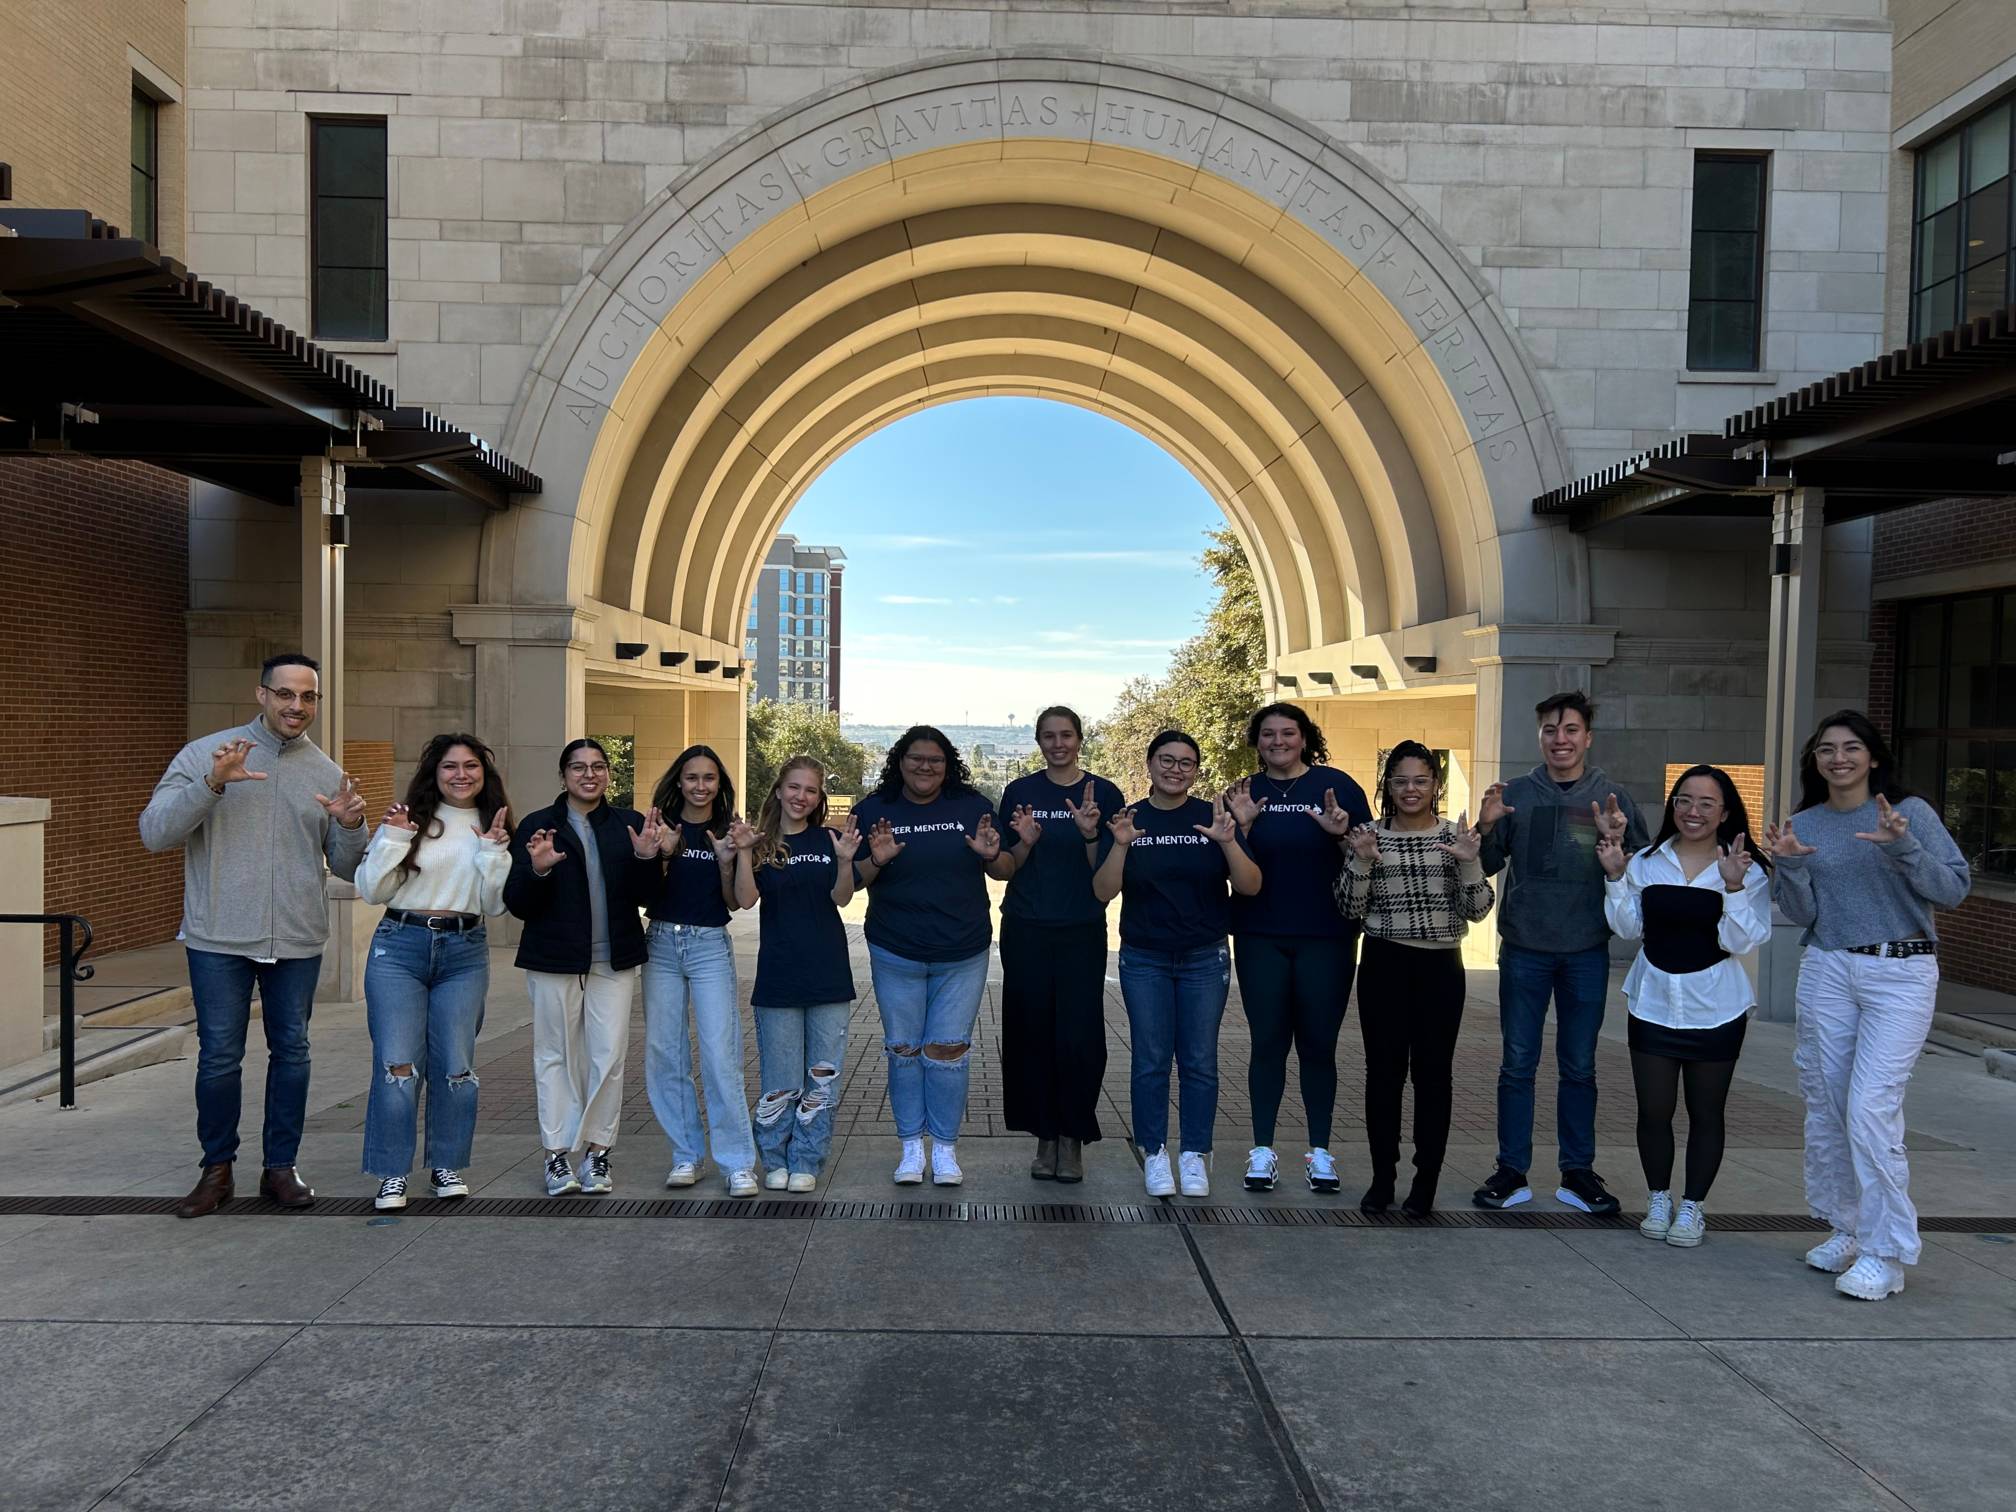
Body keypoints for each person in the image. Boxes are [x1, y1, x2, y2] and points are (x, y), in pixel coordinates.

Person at [139, 652, 367, 1219]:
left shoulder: (325, 771)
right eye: (285, 693)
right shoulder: (207, 754)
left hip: (295, 939)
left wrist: (351, 825)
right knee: (219, 1056)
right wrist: (211, 785)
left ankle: (280, 1168)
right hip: (219, 937)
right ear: (261, 694)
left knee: (292, 1053)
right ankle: (216, 1171)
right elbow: (155, 833)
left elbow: (346, 868)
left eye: (308, 696)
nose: (297, 706)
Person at [1768, 710, 1970, 1300]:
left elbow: (1953, 890)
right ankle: (1848, 1228)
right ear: (1815, 761)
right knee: (1828, 1107)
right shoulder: (1804, 821)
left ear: (1874, 757)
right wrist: (1793, 865)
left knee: (1870, 1110)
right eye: (1827, 749)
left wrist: (1904, 846)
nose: (1839, 758)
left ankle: (1887, 1253)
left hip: (1901, 971)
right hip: (1830, 967)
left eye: (1852, 747)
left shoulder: (1912, 814)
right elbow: (1801, 915)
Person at [1473, 690, 1647, 1214]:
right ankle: (1511, 1170)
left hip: (1586, 950)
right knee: (1517, 1064)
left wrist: (1619, 844)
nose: (1560, 739)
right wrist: (1485, 826)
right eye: (1551, 729)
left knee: (1579, 1066)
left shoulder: (1613, 797)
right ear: (1540, 736)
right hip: (1525, 947)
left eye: (1570, 730)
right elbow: (1481, 863)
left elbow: (1638, 873)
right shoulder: (1515, 793)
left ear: (1587, 738)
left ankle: (1577, 1173)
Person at [1598, 765, 1771, 1249]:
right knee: (1653, 1111)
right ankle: (1659, 1198)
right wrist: (1615, 878)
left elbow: (1743, 939)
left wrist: (1733, 887)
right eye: (1684, 801)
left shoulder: (1744, 868)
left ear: (1726, 813)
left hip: (1717, 1008)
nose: (1693, 812)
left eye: (1706, 804)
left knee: (1706, 1112)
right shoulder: (1648, 861)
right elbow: (1627, 929)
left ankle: (1693, 1205)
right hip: (1653, 1003)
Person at [1094, 730, 1263, 1199]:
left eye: (1186, 763)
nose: (1175, 769)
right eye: (1166, 760)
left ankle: (1194, 1155)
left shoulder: (1213, 817)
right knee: (1150, 1060)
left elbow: (1249, 886)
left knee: (1199, 1061)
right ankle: (1154, 1152)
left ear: (1196, 770)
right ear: (1149, 765)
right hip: (1144, 957)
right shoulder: (1130, 819)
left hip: (1203, 958)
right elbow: (1102, 892)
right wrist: (1122, 845)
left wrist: (1229, 841)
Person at [353, 733, 512, 1210]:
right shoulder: (408, 819)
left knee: (456, 1068)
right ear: (434, 772)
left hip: (464, 951)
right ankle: (392, 1174)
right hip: (400, 947)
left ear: (484, 775)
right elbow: (370, 890)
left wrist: (492, 852)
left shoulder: (494, 825)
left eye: (470, 767)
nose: (460, 775)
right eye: (449, 766)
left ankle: (446, 1164)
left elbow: (495, 905)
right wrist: (395, 838)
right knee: (398, 1064)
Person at [1337, 741, 1493, 1217]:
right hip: (1384, 963)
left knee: (1433, 1077)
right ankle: (1383, 1176)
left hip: (1441, 968)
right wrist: (1362, 860)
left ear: (1435, 785)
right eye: (1400, 780)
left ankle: (1426, 1181)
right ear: (1387, 785)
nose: (1410, 789)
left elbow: (1479, 909)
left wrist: (1468, 861)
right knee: (1383, 1075)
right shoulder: (1367, 835)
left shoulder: (1457, 836)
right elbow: (1348, 908)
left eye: (1421, 780)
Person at [853, 726, 1014, 1186]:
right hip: (895, 951)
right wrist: (876, 859)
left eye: (935, 760)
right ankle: (910, 1149)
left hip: (961, 954)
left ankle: (944, 1149)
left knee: (947, 1053)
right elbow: (855, 882)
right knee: (903, 1050)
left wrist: (991, 855)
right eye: (916, 758)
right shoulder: (875, 811)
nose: (926, 767)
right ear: (899, 762)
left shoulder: (972, 807)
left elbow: (1006, 868)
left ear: (949, 765)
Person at [1224, 702, 1373, 1194]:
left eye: (1288, 733)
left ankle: (1321, 1153)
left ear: (1304, 738)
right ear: (1257, 741)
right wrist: (1242, 827)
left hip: (1326, 938)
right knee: (1267, 1043)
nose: (1278, 741)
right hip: (1259, 935)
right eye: (1268, 734)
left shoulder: (1338, 787)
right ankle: (1262, 1150)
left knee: (1317, 1046)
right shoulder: (1242, 793)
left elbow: (1365, 861)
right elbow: (1228, 865)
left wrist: (1339, 840)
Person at [504, 738, 661, 1198]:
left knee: (608, 1058)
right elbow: (517, 903)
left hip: (613, 960)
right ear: (563, 776)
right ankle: (556, 1155)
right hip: (553, 960)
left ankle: (596, 1153)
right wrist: (538, 870)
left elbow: (649, 898)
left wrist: (649, 858)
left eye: (598, 766)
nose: (588, 775)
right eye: (578, 767)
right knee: (555, 1055)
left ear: (609, 774)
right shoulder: (539, 826)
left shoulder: (628, 824)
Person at [995, 706, 1126, 1183]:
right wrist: (1022, 842)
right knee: (1031, 1034)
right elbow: (1004, 865)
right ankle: (1044, 1136)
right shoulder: (1020, 791)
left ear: (1079, 739)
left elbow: (1108, 874)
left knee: (1079, 1036)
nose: (1058, 744)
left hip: (1080, 929)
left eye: (1066, 735)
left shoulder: (1105, 793)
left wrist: (1091, 833)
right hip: (1026, 927)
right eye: (1048, 736)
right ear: (1037, 741)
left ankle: (1072, 1138)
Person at [728, 756, 860, 1192]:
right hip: (779, 977)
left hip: (827, 975)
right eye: (794, 788)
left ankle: (807, 1158)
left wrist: (844, 861)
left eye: (810, 790)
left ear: (818, 797)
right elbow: (745, 900)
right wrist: (745, 851)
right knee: (780, 1083)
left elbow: (842, 899)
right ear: (779, 791)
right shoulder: (763, 844)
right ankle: (775, 1158)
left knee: (821, 1080)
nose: (801, 797)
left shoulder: (829, 840)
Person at [640, 744, 757, 1198]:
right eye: (692, 777)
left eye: (709, 778)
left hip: (709, 944)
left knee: (720, 1055)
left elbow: (735, 901)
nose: (701, 786)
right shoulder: (660, 825)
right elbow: (647, 891)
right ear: (679, 781)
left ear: (719, 784)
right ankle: (686, 1155)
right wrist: (663, 855)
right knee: (665, 1054)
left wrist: (730, 860)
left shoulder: (728, 829)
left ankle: (737, 1163)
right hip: (663, 942)